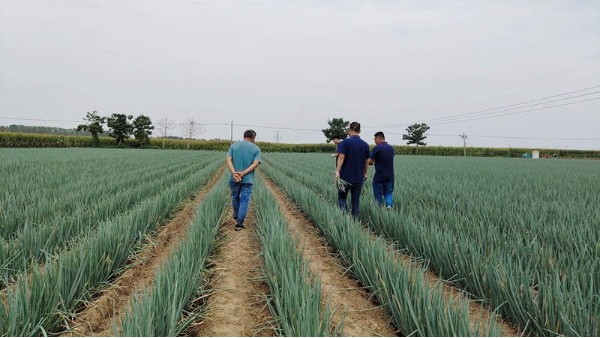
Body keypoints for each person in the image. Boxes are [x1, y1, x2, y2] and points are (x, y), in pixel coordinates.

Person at [226, 130, 261, 231]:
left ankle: (237, 215)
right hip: (247, 179)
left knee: (235, 197)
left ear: (244, 136)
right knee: (244, 200)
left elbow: (228, 159)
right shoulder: (256, 148)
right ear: (254, 138)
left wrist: (234, 173)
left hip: (234, 179)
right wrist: (243, 173)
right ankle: (239, 223)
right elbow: (255, 163)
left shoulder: (234, 146)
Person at [335, 122, 369, 218]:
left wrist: (337, 171)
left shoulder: (345, 142)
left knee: (342, 198)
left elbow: (341, 157)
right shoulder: (365, 145)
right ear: (360, 131)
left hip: (345, 178)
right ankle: (354, 222)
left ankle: (343, 218)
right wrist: (365, 174)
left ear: (349, 130)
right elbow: (367, 162)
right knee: (355, 201)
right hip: (358, 179)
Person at [368, 131, 395, 208]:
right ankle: (389, 207)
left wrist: (373, 163)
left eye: (375, 139)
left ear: (378, 139)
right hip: (390, 176)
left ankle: (378, 210)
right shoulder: (391, 148)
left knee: (378, 195)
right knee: (389, 193)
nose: (375, 141)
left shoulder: (376, 148)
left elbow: (370, 161)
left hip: (379, 176)